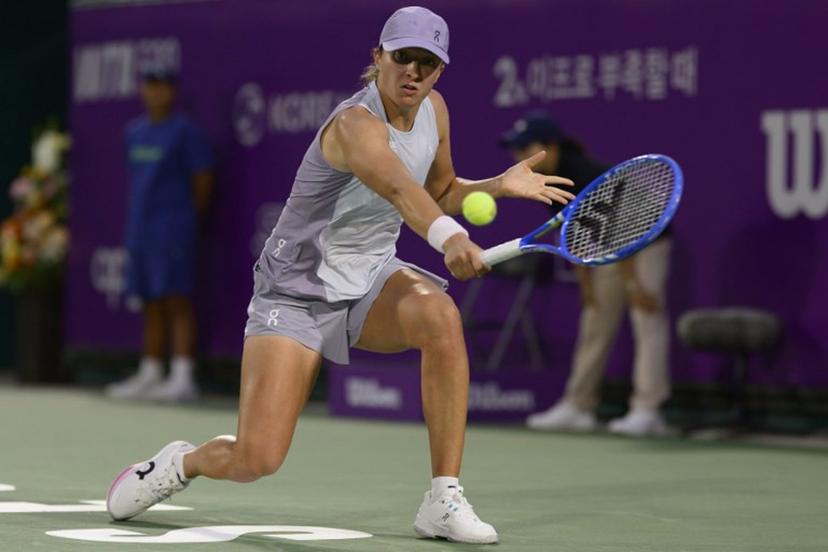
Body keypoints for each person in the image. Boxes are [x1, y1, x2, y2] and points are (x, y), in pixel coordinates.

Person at [105, 7, 574, 545]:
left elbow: (439, 191)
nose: (413, 73)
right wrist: (452, 239)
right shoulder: (355, 124)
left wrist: (495, 186)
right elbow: (401, 190)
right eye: (402, 58)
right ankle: (180, 464)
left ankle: (442, 499)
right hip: (296, 289)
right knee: (257, 458)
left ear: (440, 72)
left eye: (427, 63)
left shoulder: (435, 111)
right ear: (378, 59)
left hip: (369, 278)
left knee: (441, 318)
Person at [500, 112, 673, 437]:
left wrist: (634, 284)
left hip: (646, 240)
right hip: (606, 242)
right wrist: (586, 287)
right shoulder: (548, 179)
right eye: (516, 150)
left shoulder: (582, 172)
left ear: (551, 147)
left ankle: (648, 410)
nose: (519, 157)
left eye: (526, 148)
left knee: (645, 315)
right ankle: (579, 406)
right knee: (595, 319)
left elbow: (625, 232)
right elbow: (576, 234)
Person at [105, 67, 214, 402]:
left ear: (173, 92)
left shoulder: (185, 133)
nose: (156, 93)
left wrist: (182, 220)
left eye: (163, 87)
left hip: (173, 230)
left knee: (176, 299)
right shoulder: (133, 132)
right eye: (150, 86)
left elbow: (202, 180)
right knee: (150, 301)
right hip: (140, 230)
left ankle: (182, 376)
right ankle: (150, 372)